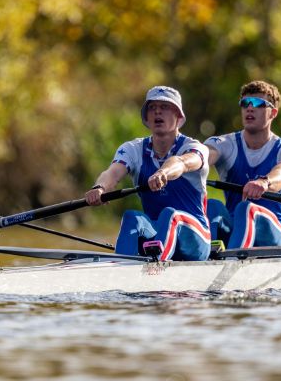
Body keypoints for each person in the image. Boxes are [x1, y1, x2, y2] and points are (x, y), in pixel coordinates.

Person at [85, 86, 211, 261]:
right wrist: (100, 187)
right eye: (152, 107)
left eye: (165, 107)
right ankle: (120, 269)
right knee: (132, 217)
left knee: (170, 215)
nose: (157, 111)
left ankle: (154, 268)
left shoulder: (195, 148)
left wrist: (163, 173)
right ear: (146, 117)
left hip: (196, 238)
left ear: (178, 117)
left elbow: (180, 163)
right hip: (156, 234)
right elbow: (113, 172)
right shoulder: (133, 149)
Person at [205, 80, 281, 248]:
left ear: (273, 113)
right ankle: (209, 261)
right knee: (213, 206)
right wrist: (186, 165)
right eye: (245, 104)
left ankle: (231, 260)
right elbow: (204, 155)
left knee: (247, 209)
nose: (249, 108)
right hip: (234, 230)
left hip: (273, 235)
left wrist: (264, 182)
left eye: (258, 104)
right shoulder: (225, 144)